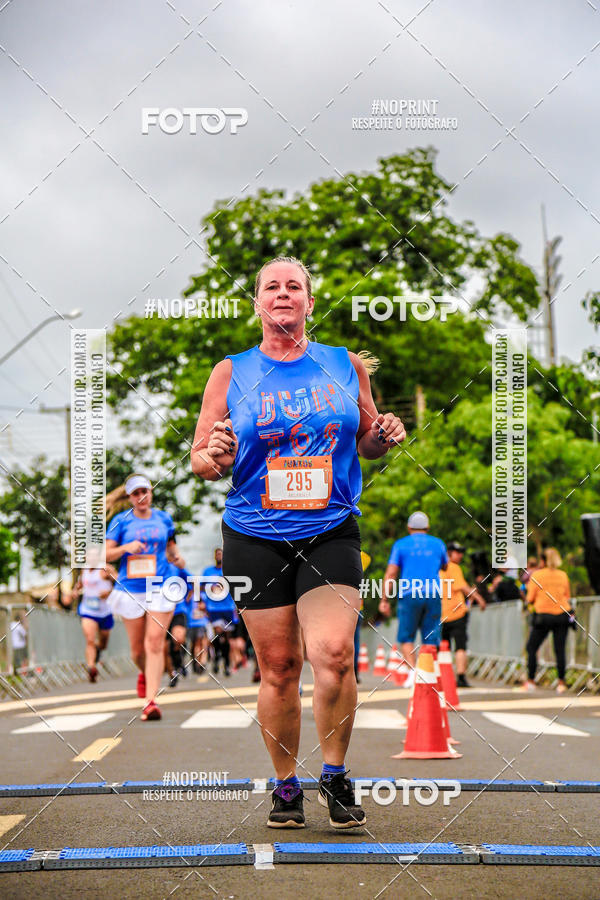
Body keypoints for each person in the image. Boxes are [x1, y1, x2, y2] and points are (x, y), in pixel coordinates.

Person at [191, 255, 405, 830]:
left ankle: (334, 775)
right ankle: (286, 787)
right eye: (271, 287)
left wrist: (386, 433)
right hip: (254, 534)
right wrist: (213, 456)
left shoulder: (344, 364)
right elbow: (201, 458)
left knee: (333, 654)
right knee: (280, 667)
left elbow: (366, 441)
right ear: (258, 302)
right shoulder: (231, 372)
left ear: (310, 301)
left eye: (294, 287)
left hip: (330, 527)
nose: (282, 294)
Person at [105, 473, 183, 721]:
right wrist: (125, 548)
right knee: (137, 651)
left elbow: (171, 547)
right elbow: (106, 555)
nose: (142, 497)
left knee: (154, 643)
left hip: (159, 586)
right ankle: (145, 674)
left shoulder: (164, 519)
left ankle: (150, 702)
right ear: (129, 497)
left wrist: (177, 557)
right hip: (131, 588)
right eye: (136, 493)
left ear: (151, 492)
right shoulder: (120, 521)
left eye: (145, 491)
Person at [383, 511, 448, 687]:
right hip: (432, 594)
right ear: (427, 527)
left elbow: (391, 573)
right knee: (431, 636)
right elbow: (445, 565)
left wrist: (384, 600)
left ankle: (414, 672)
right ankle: (429, 672)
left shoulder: (400, 545)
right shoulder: (438, 544)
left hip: (408, 594)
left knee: (405, 637)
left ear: (409, 527)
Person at [523, 548, 573, 693]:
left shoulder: (537, 575)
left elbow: (530, 598)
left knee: (531, 648)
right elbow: (567, 595)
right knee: (560, 650)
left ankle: (531, 681)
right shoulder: (563, 575)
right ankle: (561, 683)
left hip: (543, 616)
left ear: (543, 560)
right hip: (562, 615)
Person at [440, 542, 486, 688]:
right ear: (449, 553)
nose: (460, 555)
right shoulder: (453, 567)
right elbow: (463, 587)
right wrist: (479, 599)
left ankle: (441, 676)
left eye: (461, 552)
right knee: (460, 646)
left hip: (440, 614)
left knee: (442, 646)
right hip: (456, 613)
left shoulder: (436, 568)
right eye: (457, 552)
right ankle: (460, 677)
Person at [73, 565, 117, 682]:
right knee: (90, 640)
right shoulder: (84, 570)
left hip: (105, 612)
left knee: (103, 644)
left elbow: (120, 585)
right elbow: (81, 584)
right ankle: (91, 668)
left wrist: (109, 592)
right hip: (88, 610)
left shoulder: (106, 569)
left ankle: (98, 650)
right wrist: (75, 590)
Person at [200, 548, 237, 677]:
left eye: (221, 554)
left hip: (227, 607)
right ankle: (216, 658)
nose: (219, 556)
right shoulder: (207, 572)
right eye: (217, 554)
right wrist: (201, 602)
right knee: (217, 632)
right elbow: (199, 587)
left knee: (226, 637)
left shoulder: (230, 570)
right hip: (213, 608)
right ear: (214, 556)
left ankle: (226, 662)